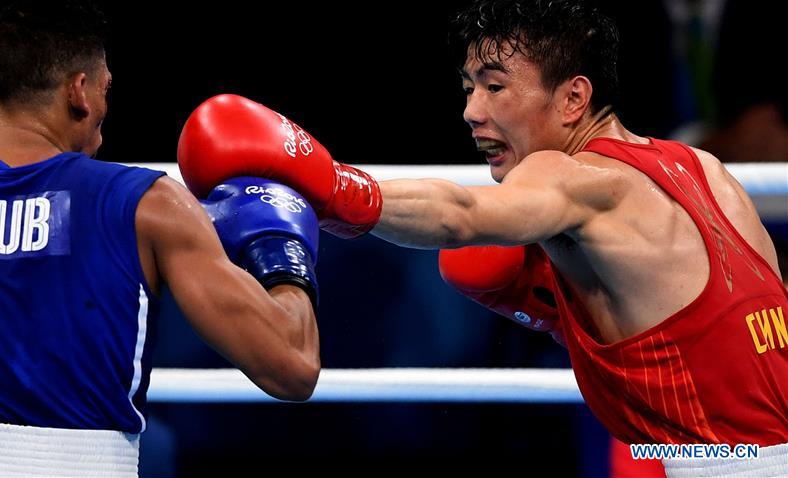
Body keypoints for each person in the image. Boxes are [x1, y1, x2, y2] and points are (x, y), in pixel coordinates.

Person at [175, 0, 788, 475]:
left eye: (495, 87)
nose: (472, 111)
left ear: (574, 97)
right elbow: (726, 330)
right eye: (468, 87)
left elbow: (460, 213)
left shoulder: (572, 174)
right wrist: (563, 313)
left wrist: (336, 188)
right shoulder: (703, 169)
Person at [0, 1, 322, 476]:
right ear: (79, 91)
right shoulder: (148, 205)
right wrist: (282, 252)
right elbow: (292, 364)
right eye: (105, 87)